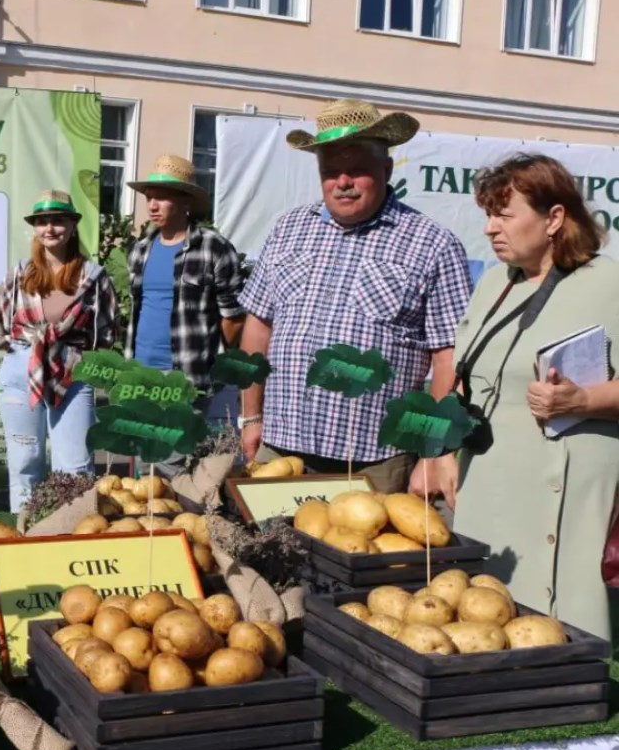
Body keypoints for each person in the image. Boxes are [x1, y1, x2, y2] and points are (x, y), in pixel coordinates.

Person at [428, 154, 619, 639]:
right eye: (488, 215)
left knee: (553, 618)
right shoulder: (495, 282)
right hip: (488, 473)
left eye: (504, 214)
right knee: (484, 610)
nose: (491, 228)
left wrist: (584, 401)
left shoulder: (609, 283)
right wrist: (448, 452)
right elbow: (466, 376)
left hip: (563, 481)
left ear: (554, 218)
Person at [237, 99, 472, 494]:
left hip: (376, 460)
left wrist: (434, 453)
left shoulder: (433, 244)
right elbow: (258, 328)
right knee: (268, 554)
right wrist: (251, 418)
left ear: (386, 169)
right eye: (330, 172)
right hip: (280, 449)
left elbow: (449, 356)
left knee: (366, 555)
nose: (342, 182)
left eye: (357, 170)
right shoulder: (288, 229)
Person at [0, 192, 119, 512]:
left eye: (58, 221)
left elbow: (107, 329)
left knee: (74, 464)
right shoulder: (19, 272)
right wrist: (27, 350)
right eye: (42, 222)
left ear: (73, 225)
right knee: (25, 461)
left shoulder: (93, 276)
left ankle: (72, 531)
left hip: (73, 371)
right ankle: (24, 534)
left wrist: (71, 354)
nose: (50, 228)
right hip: (23, 368)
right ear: (35, 228)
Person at [124, 154, 246, 392]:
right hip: (139, 373)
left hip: (188, 377)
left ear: (186, 203)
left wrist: (208, 360)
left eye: (161, 197)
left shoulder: (213, 247)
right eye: (149, 198)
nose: (152, 205)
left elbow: (234, 317)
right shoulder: (140, 251)